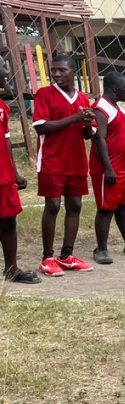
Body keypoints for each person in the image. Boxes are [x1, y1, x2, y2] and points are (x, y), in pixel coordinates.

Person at [32, 55, 95, 276]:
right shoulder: (44, 94)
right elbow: (41, 127)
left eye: (61, 70)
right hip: (52, 161)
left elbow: (88, 135)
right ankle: (47, 257)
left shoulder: (83, 99)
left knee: (75, 206)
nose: (56, 74)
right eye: (53, 71)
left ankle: (67, 255)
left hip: (77, 162)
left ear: (73, 72)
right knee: (53, 207)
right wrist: (75, 117)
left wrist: (87, 123)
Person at [90, 72, 125, 265]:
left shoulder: (120, 111)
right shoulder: (100, 109)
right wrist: (108, 169)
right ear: (115, 88)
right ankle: (101, 249)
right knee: (106, 208)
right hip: (109, 169)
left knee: (123, 208)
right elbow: (99, 139)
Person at [0, 59, 40, 283]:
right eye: (3, 72)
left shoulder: (3, 108)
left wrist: (14, 173)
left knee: (8, 221)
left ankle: (11, 269)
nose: (7, 76)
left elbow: (6, 141)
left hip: (3, 178)